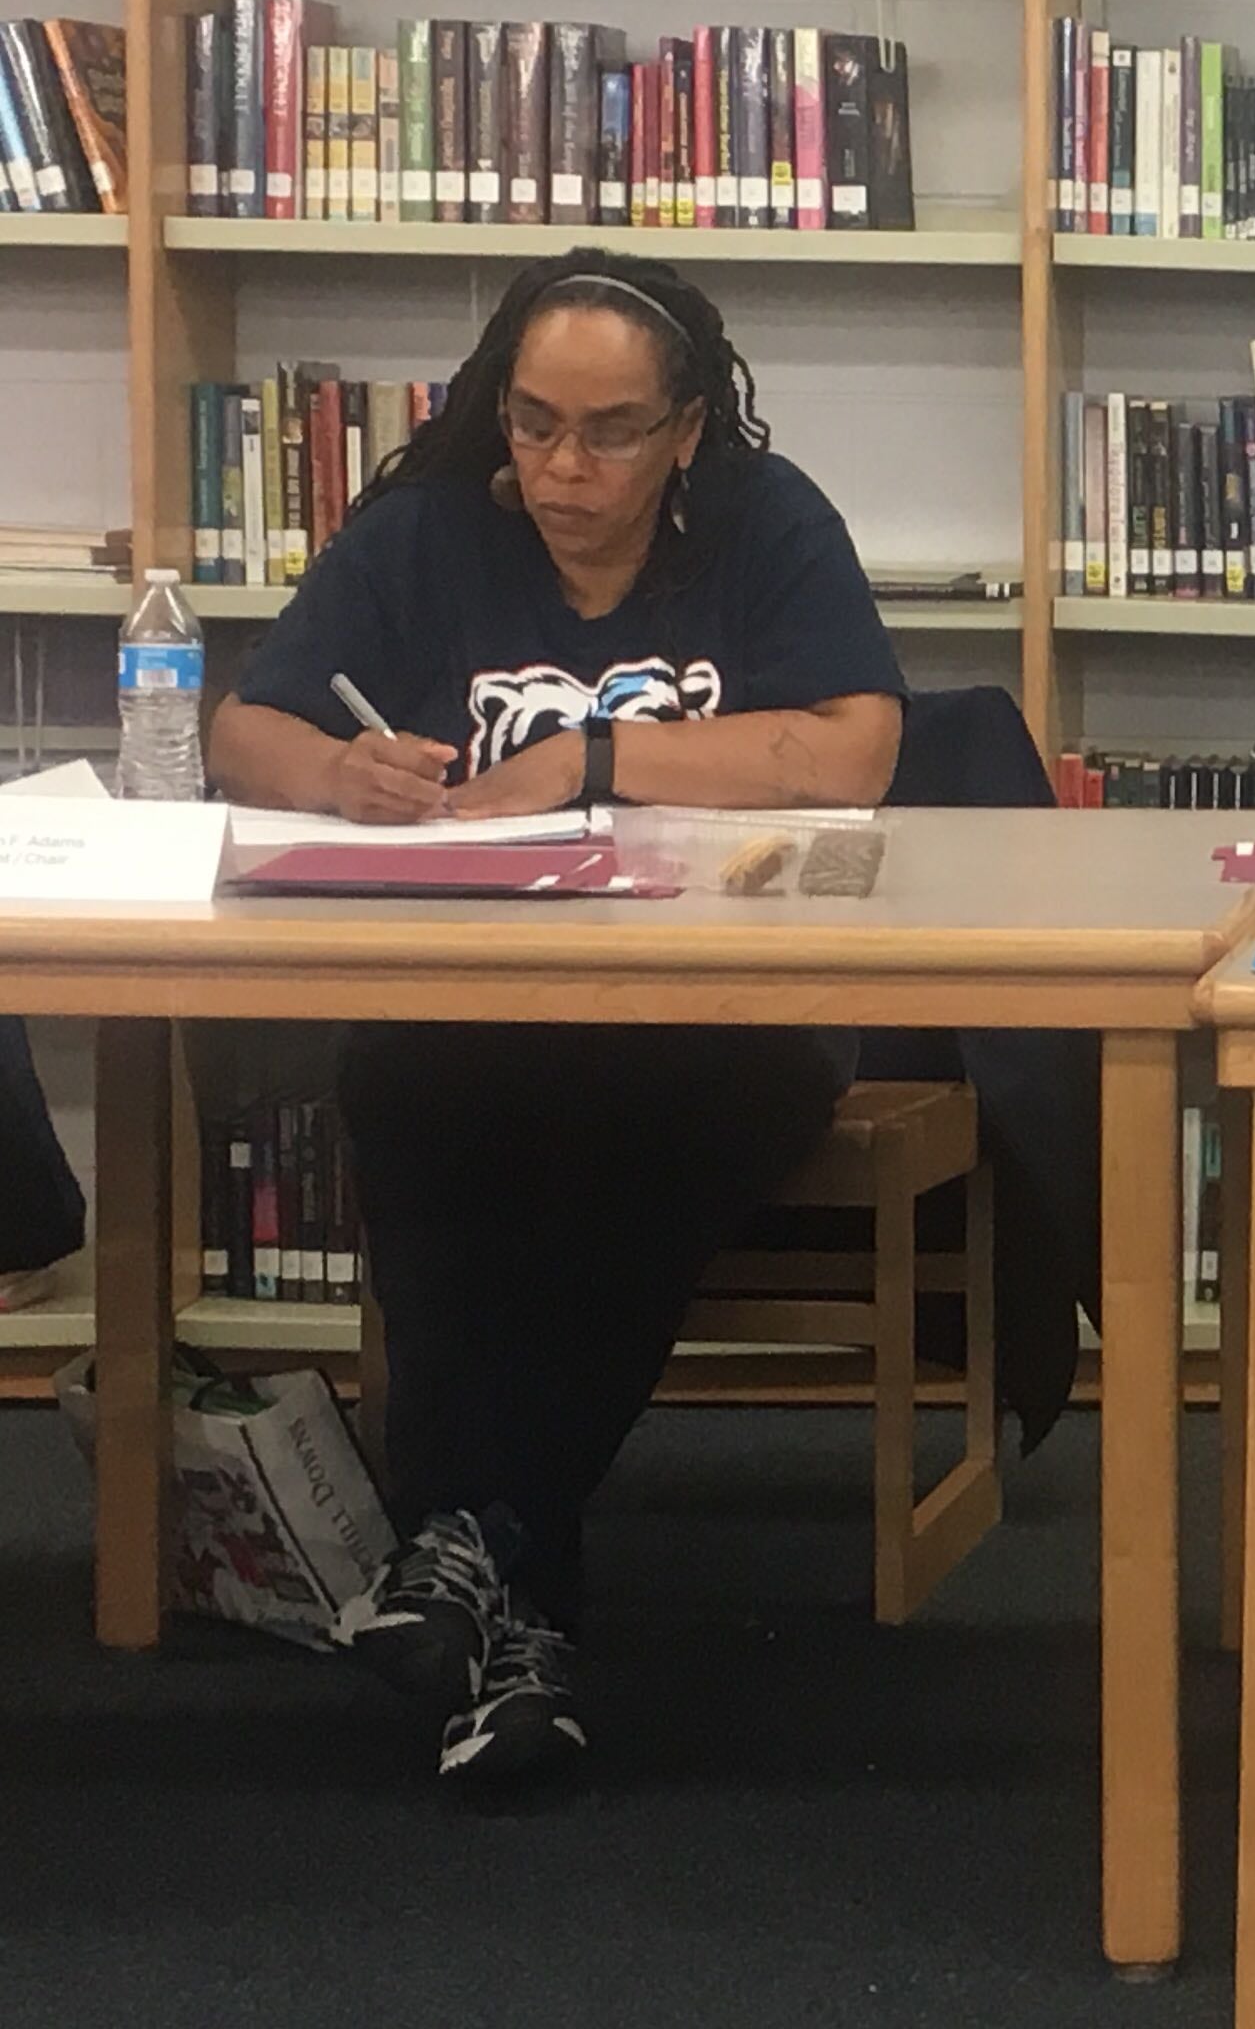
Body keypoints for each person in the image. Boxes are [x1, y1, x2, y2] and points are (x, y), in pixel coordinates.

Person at [208, 248, 905, 1793]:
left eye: (609, 432)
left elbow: (855, 746)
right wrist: (335, 777)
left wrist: (596, 759)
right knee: (414, 1089)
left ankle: (461, 1544)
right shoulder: (423, 534)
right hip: (476, 1004)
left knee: (629, 1136)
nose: (564, 469)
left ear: (688, 433)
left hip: (730, 1018)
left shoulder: (764, 526)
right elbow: (244, 724)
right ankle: (515, 1603)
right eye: (531, 425)